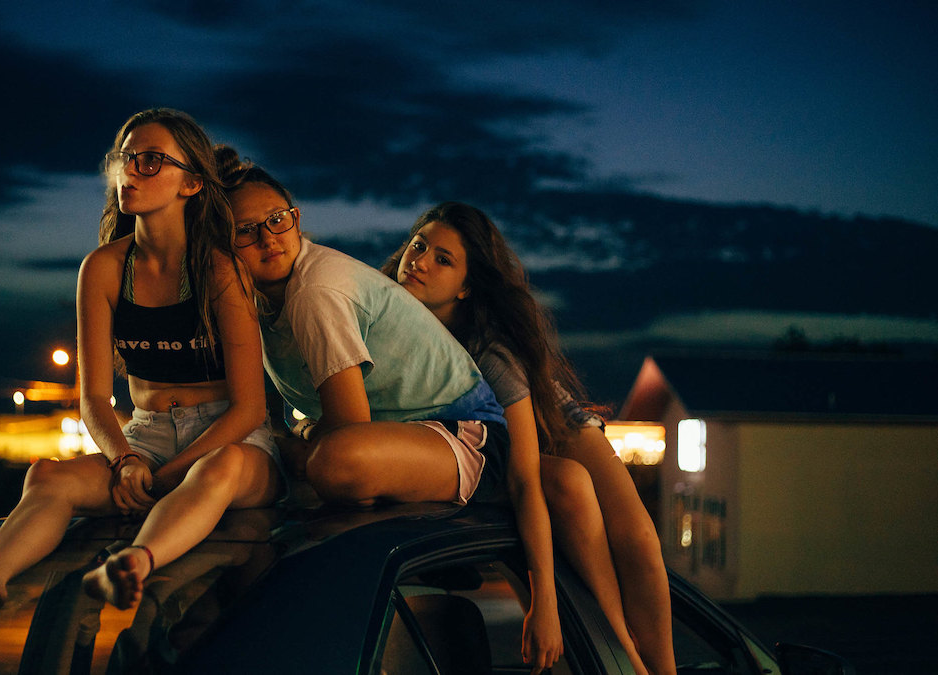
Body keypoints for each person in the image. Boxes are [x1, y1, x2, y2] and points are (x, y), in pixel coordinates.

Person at [0, 108, 281, 614]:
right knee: (47, 476)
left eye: (150, 161)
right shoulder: (103, 268)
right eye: (124, 158)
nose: (130, 171)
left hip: (229, 440)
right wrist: (124, 460)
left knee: (219, 468)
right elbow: (94, 400)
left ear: (191, 183)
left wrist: (171, 473)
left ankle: (133, 564)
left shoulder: (219, 269)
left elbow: (249, 409)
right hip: (145, 437)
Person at [216, 149, 570, 671]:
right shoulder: (252, 304)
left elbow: (347, 437)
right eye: (246, 231)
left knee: (333, 462)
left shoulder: (315, 291)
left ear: (297, 218)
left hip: (467, 437)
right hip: (401, 438)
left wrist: (298, 442)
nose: (269, 238)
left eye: (277, 219)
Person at [384, 201, 676, 674]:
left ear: (466, 287)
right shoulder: (382, 318)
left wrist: (546, 604)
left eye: (443, 259)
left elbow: (525, 473)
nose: (419, 262)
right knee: (567, 494)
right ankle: (622, 655)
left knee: (639, 539)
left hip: (551, 423)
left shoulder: (489, 351)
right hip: (491, 445)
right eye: (418, 246)